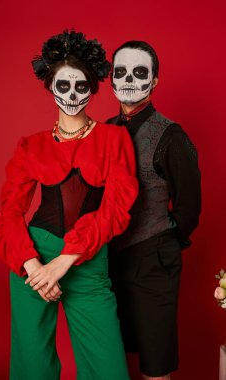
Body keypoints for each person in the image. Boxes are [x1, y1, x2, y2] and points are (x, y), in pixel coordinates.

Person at [0, 30, 139, 380]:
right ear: (50, 88)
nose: (72, 95)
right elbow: (10, 212)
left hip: (87, 261)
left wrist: (62, 263)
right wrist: (33, 267)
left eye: (81, 86)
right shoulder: (31, 146)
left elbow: (116, 209)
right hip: (33, 261)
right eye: (63, 86)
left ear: (92, 88)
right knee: (33, 367)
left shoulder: (114, 138)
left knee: (108, 369)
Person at [106, 41, 201, 380]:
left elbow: (190, 205)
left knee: (154, 358)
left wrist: (168, 240)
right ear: (111, 78)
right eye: (121, 72)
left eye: (140, 72)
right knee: (112, 355)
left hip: (154, 258)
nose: (129, 79)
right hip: (106, 260)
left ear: (155, 81)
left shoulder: (172, 135)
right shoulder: (103, 131)